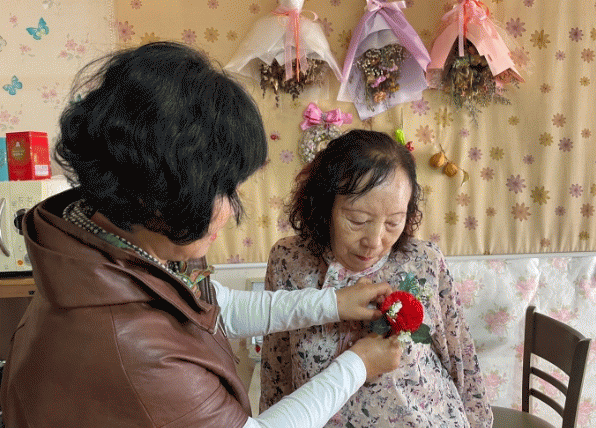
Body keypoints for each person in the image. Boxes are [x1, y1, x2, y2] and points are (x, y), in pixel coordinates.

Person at [0, 42, 404, 428]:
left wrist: (333, 303)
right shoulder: (136, 350)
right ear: (160, 192)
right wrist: (359, 364)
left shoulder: (112, 236)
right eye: (223, 191)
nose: (230, 211)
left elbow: (216, 308)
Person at [260, 129, 494, 428]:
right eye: (357, 220)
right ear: (324, 206)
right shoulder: (288, 260)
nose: (374, 241)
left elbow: (461, 358)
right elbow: (276, 367)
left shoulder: (424, 260)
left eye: (393, 222)